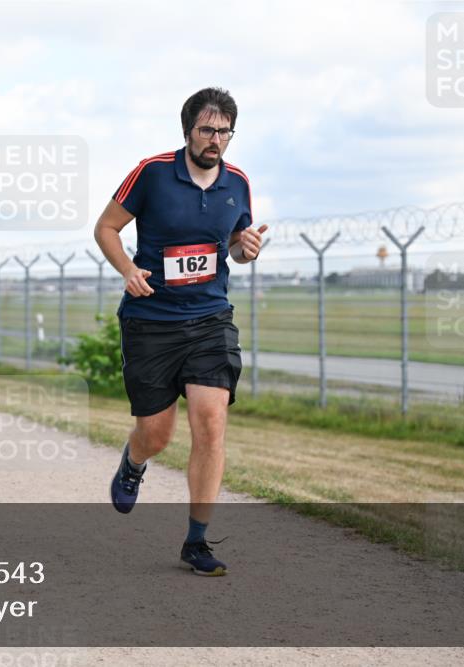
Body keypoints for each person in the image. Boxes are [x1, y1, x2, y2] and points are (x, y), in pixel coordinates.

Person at [94, 87, 268, 576]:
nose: (216, 140)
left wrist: (246, 248)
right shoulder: (151, 173)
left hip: (211, 319)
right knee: (157, 433)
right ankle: (133, 462)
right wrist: (128, 269)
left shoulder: (238, 182)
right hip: (151, 321)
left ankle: (197, 541)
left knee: (211, 421)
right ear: (188, 131)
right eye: (207, 130)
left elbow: (234, 245)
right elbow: (106, 228)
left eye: (225, 131)